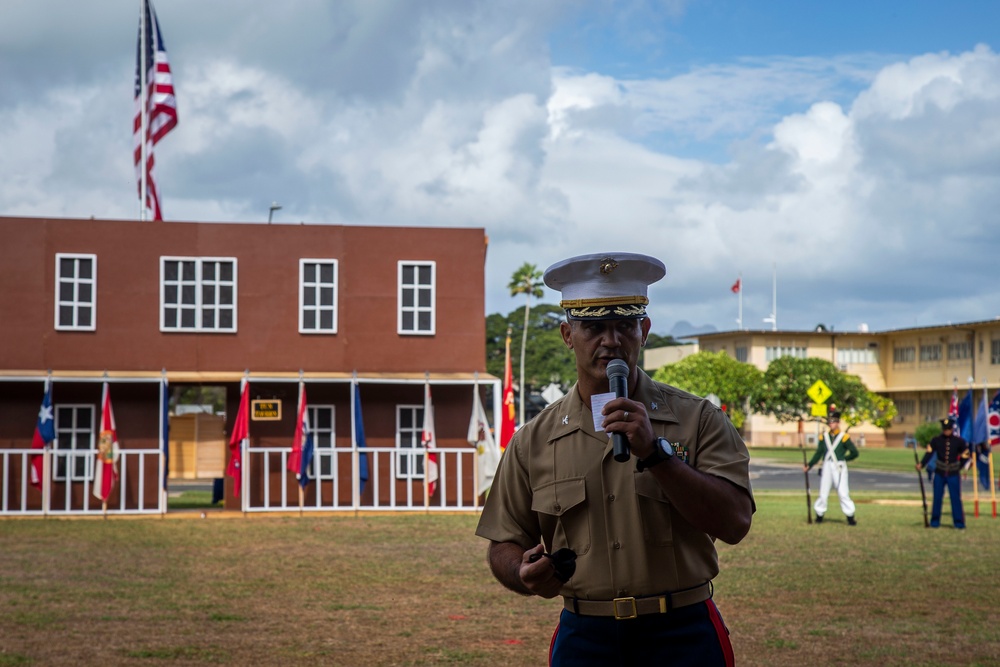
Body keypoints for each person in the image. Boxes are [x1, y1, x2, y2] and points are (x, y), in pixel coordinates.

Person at [475, 252, 755, 666]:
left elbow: (735, 523)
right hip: (586, 638)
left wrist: (657, 456)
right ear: (568, 335)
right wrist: (521, 572)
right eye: (593, 327)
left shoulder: (697, 419)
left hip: (682, 633)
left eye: (624, 324)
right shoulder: (533, 440)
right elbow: (504, 542)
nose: (611, 341)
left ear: (643, 330)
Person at [803, 409, 859, 525]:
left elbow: (854, 453)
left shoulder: (844, 437)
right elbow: (819, 453)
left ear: (838, 422)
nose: (831, 424)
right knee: (823, 492)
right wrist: (810, 465)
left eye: (833, 421)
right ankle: (819, 515)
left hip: (839, 466)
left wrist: (844, 459)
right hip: (827, 465)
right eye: (829, 421)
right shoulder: (824, 437)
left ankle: (850, 516)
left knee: (843, 492)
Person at [916, 417, 970, 529]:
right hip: (940, 473)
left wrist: (959, 465)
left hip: (953, 473)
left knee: (955, 498)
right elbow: (929, 454)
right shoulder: (936, 440)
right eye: (945, 429)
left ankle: (959, 523)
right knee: (937, 498)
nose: (947, 431)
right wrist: (922, 464)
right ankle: (935, 522)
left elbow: (965, 454)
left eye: (949, 429)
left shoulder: (959, 441)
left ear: (952, 429)